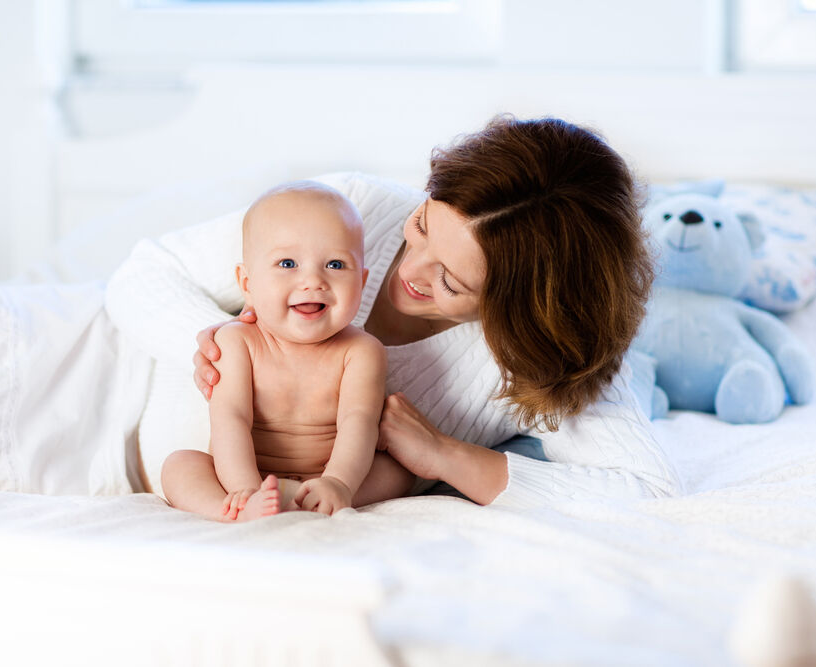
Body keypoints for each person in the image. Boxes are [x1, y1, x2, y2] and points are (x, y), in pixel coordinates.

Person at [107, 115, 683, 509]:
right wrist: (212, 349)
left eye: (450, 280)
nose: (412, 270)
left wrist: (447, 457)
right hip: (103, 376)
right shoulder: (354, 209)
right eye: (423, 227)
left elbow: (646, 488)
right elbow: (145, 271)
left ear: (522, 311)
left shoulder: (543, 361)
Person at [161, 182, 409, 521]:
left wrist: (339, 482)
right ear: (247, 284)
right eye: (288, 263)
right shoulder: (237, 342)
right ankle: (231, 510)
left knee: (398, 472)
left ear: (362, 283)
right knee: (179, 466)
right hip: (243, 475)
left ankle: (318, 499)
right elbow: (230, 419)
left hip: (325, 476)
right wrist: (246, 488)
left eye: (335, 265)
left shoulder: (362, 352)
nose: (312, 281)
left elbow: (359, 423)